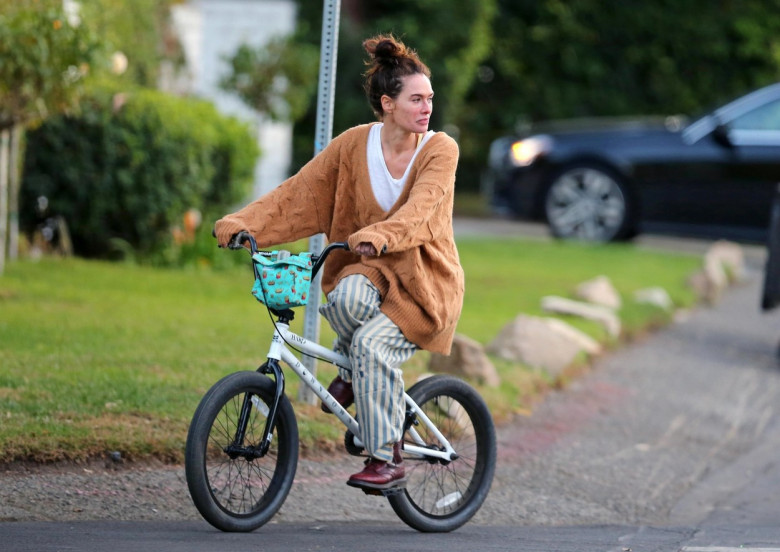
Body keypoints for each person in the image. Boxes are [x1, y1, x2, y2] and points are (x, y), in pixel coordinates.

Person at [214, 34, 464, 492]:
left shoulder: (439, 149)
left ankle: (387, 455)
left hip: (424, 284)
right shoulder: (353, 146)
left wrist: (378, 235)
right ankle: (353, 377)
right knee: (342, 299)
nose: (427, 107)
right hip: (369, 271)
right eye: (416, 99)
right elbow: (300, 192)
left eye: (429, 98)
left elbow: (422, 212)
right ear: (387, 104)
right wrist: (244, 223)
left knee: (371, 345)